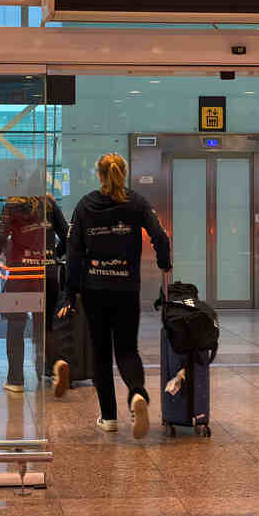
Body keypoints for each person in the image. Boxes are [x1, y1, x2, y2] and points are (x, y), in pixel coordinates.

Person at [61, 153, 171, 438]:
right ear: (124, 173)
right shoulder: (136, 203)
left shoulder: (85, 206)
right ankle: (136, 394)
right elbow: (159, 235)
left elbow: (73, 253)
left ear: (99, 175)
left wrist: (70, 293)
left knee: (100, 353)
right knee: (127, 349)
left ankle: (109, 417)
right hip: (125, 287)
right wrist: (164, 262)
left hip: (94, 289)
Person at [0, 196, 46, 394]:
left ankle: (16, 379)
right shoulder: (45, 205)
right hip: (40, 272)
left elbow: (0, 237)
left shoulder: (10, 207)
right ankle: (43, 372)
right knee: (41, 327)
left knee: (16, 326)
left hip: (19, 274)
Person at [41, 193, 73, 393]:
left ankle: (15, 376)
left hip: (26, 273)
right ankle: (57, 364)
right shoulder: (49, 204)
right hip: (49, 272)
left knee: (18, 326)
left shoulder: (15, 204)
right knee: (48, 325)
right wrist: (55, 255)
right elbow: (67, 235)